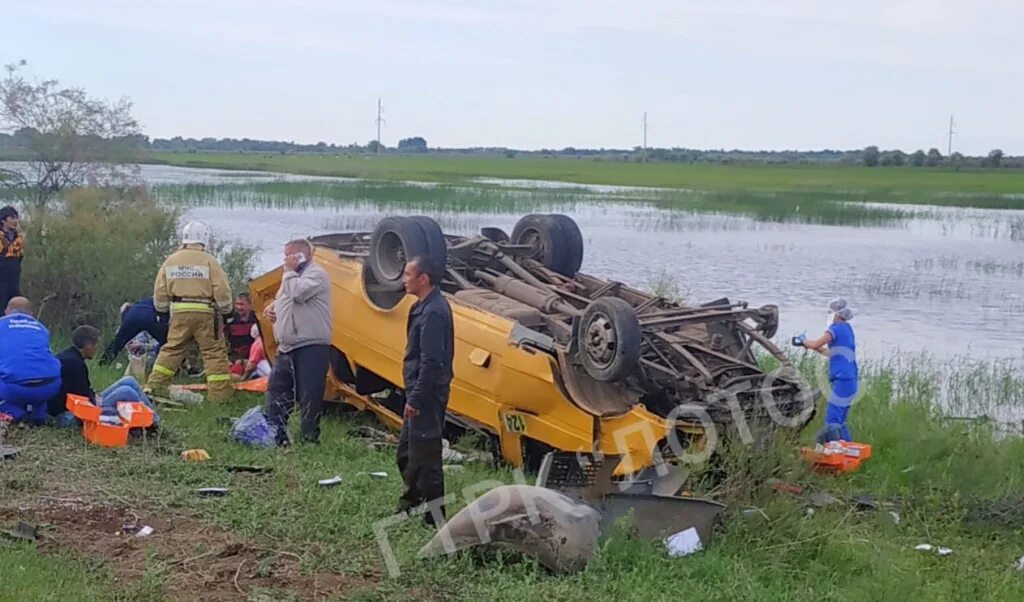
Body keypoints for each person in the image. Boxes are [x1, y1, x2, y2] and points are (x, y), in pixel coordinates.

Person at [144, 221, 235, 402]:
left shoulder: (171, 261)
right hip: (206, 314)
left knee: (172, 349)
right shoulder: (210, 261)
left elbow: (160, 289)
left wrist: (161, 311)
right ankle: (219, 397)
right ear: (204, 240)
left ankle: (153, 387)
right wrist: (227, 311)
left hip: (179, 312)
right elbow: (222, 289)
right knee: (213, 353)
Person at [396, 255, 454, 526]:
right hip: (416, 390)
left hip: (427, 395)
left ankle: (436, 518)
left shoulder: (434, 312)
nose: (404, 279)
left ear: (424, 279)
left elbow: (432, 361)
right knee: (407, 454)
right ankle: (412, 503)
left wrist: (417, 398)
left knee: (427, 458)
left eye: (408, 274)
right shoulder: (421, 307)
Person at [264, 239, 332, 445]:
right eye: (285, 255)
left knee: (309, 393)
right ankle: (274, 433)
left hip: (310, 345)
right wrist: (273, 307)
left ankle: (310, 439)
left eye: (290, 255)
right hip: (287, 345)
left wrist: (289, 271)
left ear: (302, 255)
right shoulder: (292, 276)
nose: (285, 260)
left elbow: (298, 293)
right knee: (277, 390)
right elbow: (286, 296)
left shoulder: (316, 274)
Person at [50, 325, 159, 428]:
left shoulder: (68, 356)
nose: (96, 349)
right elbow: (83, 398)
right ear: (88, 344)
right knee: (127, 391)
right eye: (96, 345)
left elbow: (80, 390)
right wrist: (95, 399)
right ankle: (146, 424)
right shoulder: (76, 364)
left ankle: (154, 419)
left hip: (79, 403)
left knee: (129, 380)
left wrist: (94, 395)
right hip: (68, 415)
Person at [793, 298, 858, 443]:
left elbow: (816, 342)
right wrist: (812, 346)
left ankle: (833, 452)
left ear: (837, 314)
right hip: (851, 380)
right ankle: (849, 450)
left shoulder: (834, 329)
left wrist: (804, 341)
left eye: (830, 313)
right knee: (840, 420)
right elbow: (831, 353)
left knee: (832, 419)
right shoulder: (847, 329)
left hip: (842, 379)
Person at [0, 297, 61, 425]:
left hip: (14, 388)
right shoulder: (42, 328)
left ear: (6, 311)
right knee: (38, 370)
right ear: (31, 314)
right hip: (50, 386)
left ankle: (14, 413)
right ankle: (39, 414)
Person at [99, 296, 169, 365]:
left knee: (117, 343)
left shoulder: (138, 304)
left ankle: (103, 363)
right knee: (166, 342)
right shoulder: (163, 300)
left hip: (132, 318)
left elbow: (125, 312)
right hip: (149, 318)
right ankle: (161, 364)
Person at [0, 206, 24, 311]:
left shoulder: (18, 239)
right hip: (1, 279)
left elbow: (20, 258)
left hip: (14, 280)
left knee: (17, 305)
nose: (15, 221)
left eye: (16, 218)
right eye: (12, 218)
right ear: (3, 220)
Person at [225, 293, 257, 362]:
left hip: (254, 355)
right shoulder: (230, 320)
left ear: (250, 305)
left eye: (242, 304)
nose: (239, 307)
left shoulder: (257, 319)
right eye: (237, 304)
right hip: (235, 357)